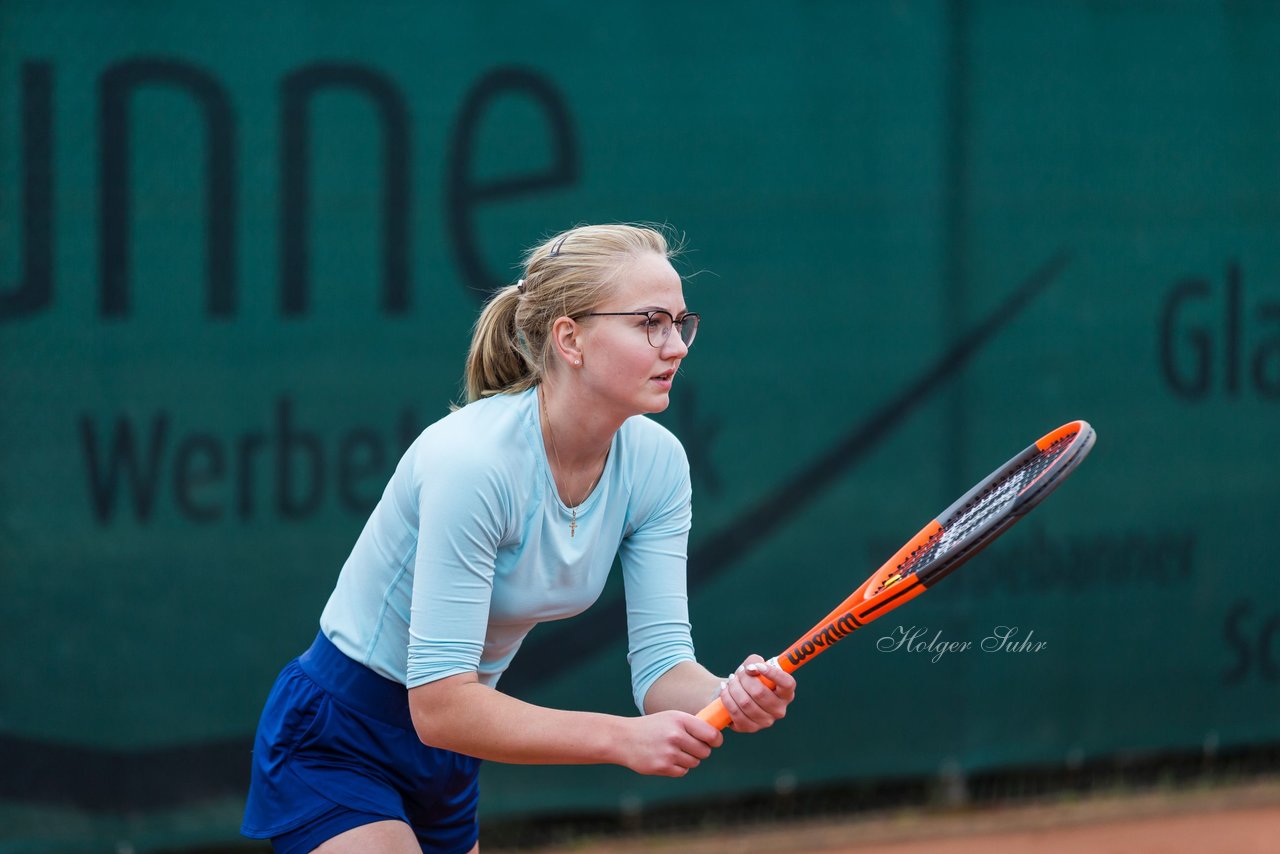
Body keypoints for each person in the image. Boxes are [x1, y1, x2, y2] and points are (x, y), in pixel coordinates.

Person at [241, 224, 796, 854]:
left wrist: (729, 694)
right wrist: (620, 740)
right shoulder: (473, 462)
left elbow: (663, 666)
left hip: (453, 752)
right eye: (650, 322)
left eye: (680, 322)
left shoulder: (658, 464)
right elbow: (441, 706)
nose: (677, 346)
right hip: (340, 737)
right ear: (570, 339)